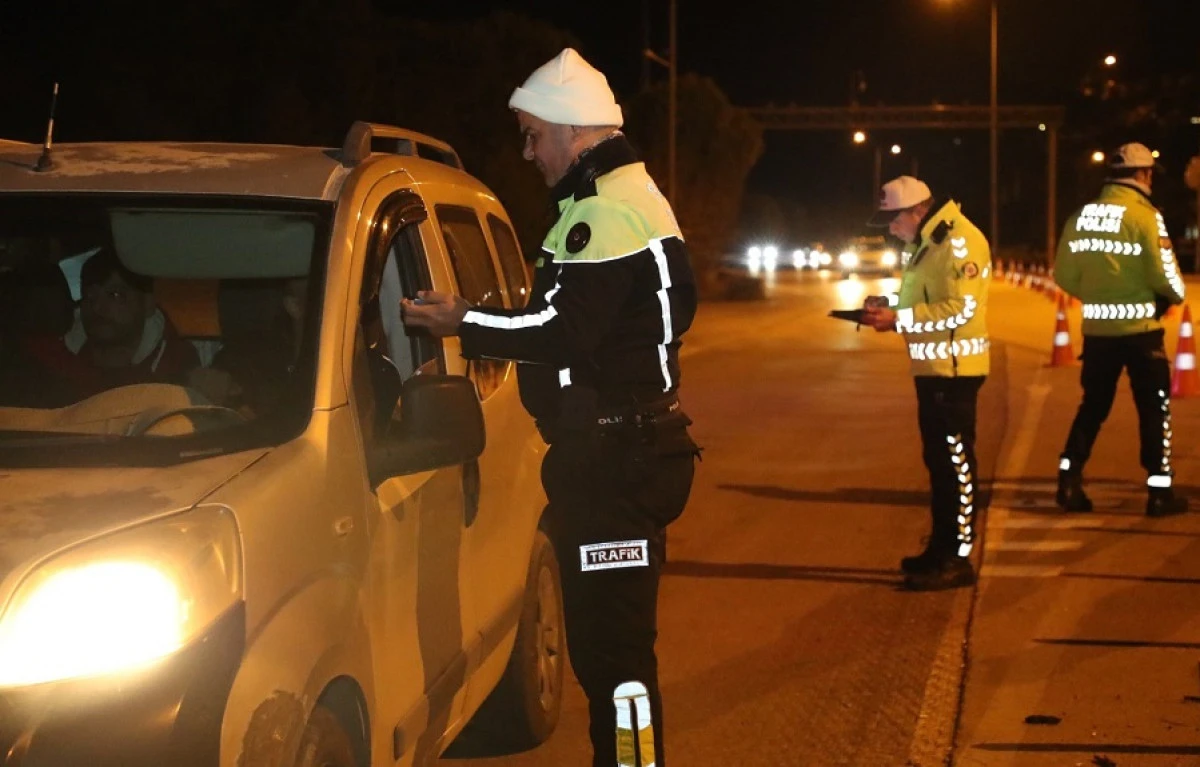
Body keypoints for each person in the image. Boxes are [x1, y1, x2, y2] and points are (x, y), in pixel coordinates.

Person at [402, 47, 698, 767]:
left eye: (535, 134)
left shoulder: (602, 216)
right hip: (627, 454)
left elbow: (560, 331)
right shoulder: (634, 197)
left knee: (614, 660)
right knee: (614, 652)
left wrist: (462, 322)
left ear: (574, 130)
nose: (528, 152)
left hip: (612, 468)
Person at [860, 176, 991, 591]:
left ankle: (958, 558)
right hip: (933, 371)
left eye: (892, 222)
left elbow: (961, 310)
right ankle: (940, 548)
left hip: (954, 373)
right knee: (939, 467)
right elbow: (926, 301)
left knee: (955, 467)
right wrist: (890, 307)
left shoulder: (959, 242)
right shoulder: (927, 244)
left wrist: (900, 319)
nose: (890, 231)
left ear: (917, 211)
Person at [1053, 142, 1188, 517]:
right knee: (1153, 410)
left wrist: (1097, 295)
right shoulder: (1146, 217)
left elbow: (1062, 274)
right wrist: (1174, 296)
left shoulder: (1080, 216)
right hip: (1142, 331)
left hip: (1098, 333)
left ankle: (1068, 477)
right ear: (1144, 175)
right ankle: (1159, 492)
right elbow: (1166, 275)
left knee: (1093, 406)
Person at [59, 247, 198, 399]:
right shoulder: (56, 363)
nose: (98, 307)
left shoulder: (177, 368)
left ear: (147, 303)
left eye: (115, 295)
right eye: (90, 295)